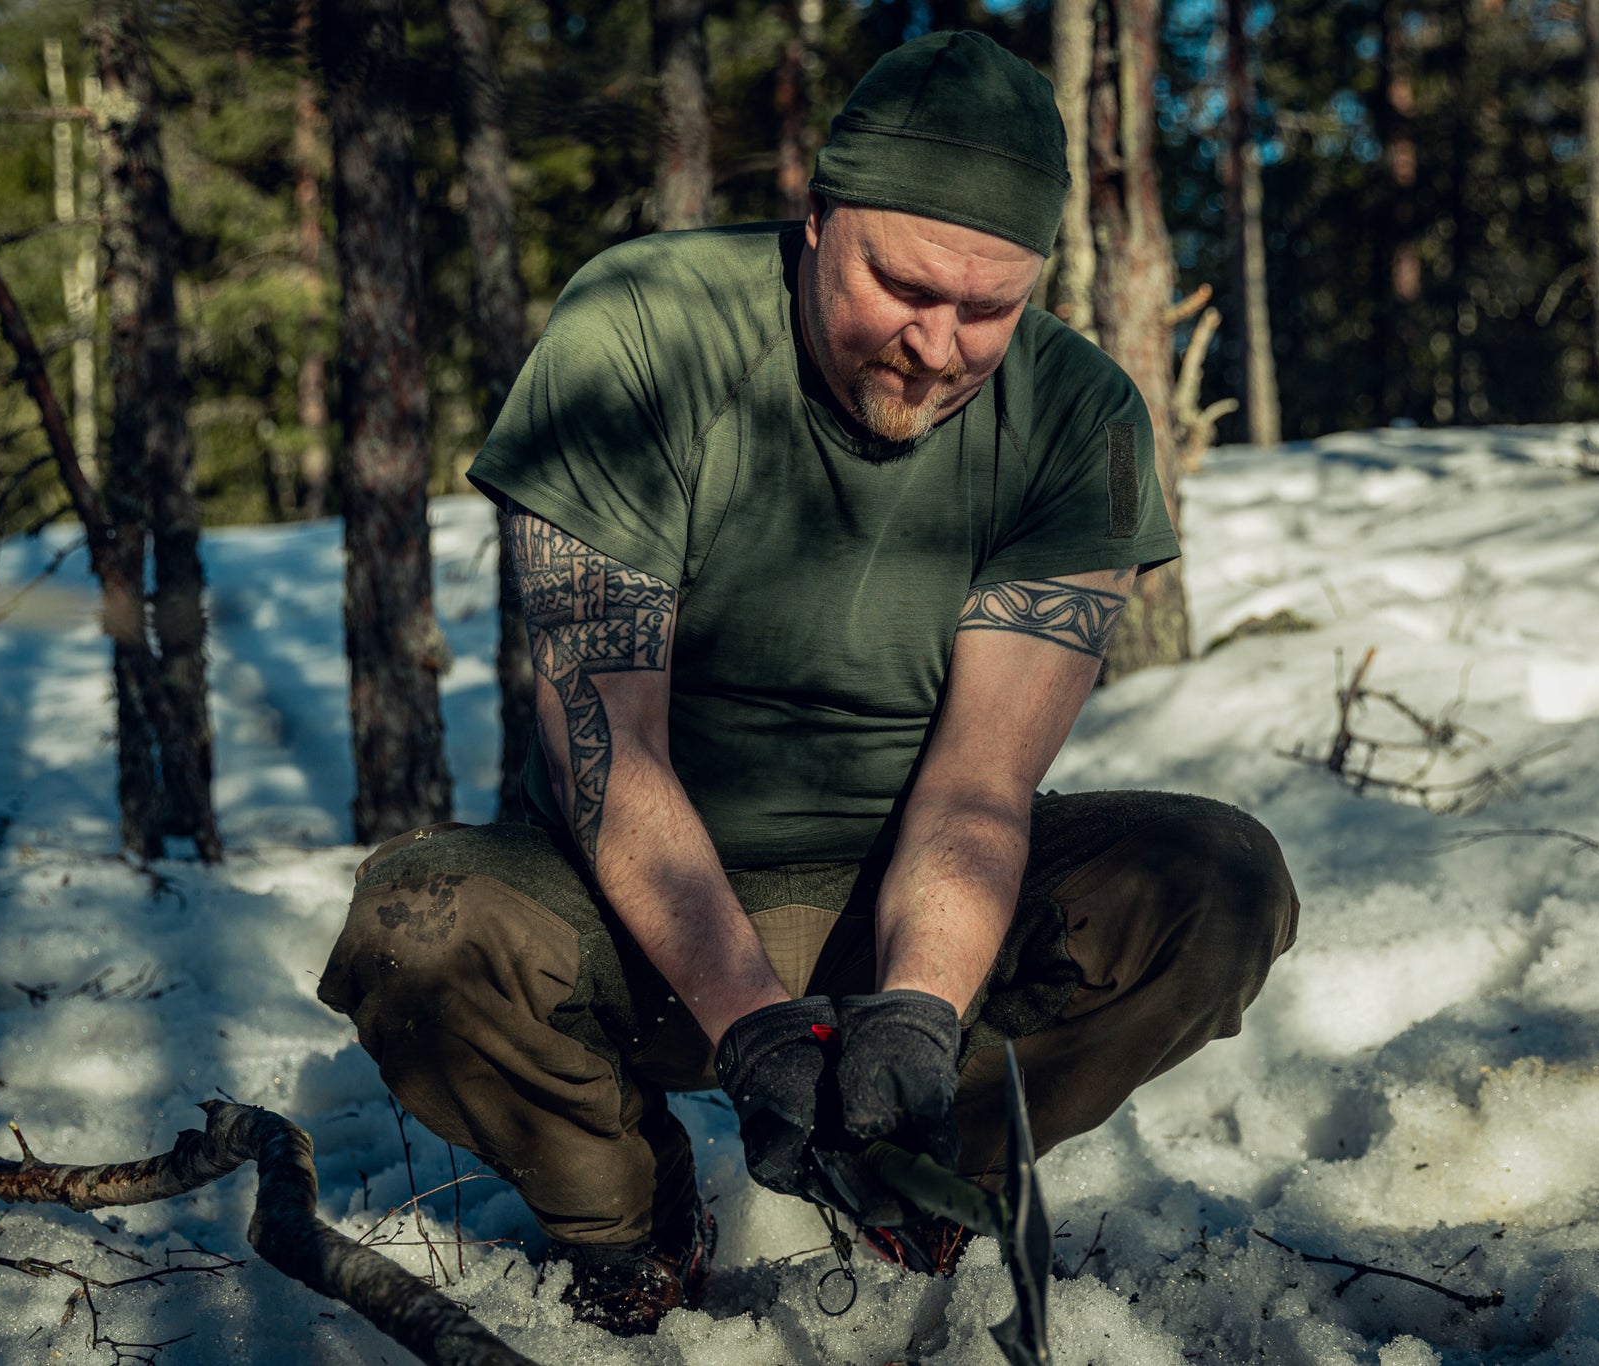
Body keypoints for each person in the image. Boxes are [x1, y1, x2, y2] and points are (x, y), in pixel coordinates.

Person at [317, 30, 1298, 1338]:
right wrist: (752, 1028)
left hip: (914, 896)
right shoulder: (641, 332)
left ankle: (919, 1177)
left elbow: (979, 785)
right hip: (642, 915)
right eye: (901, 285)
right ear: (818, 215)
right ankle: (633, 1219)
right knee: (415, 927)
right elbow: (612, 751)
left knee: (1222, 881)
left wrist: (913, 1014)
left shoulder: (1080, 421)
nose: (937, 346)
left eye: (988, 308)